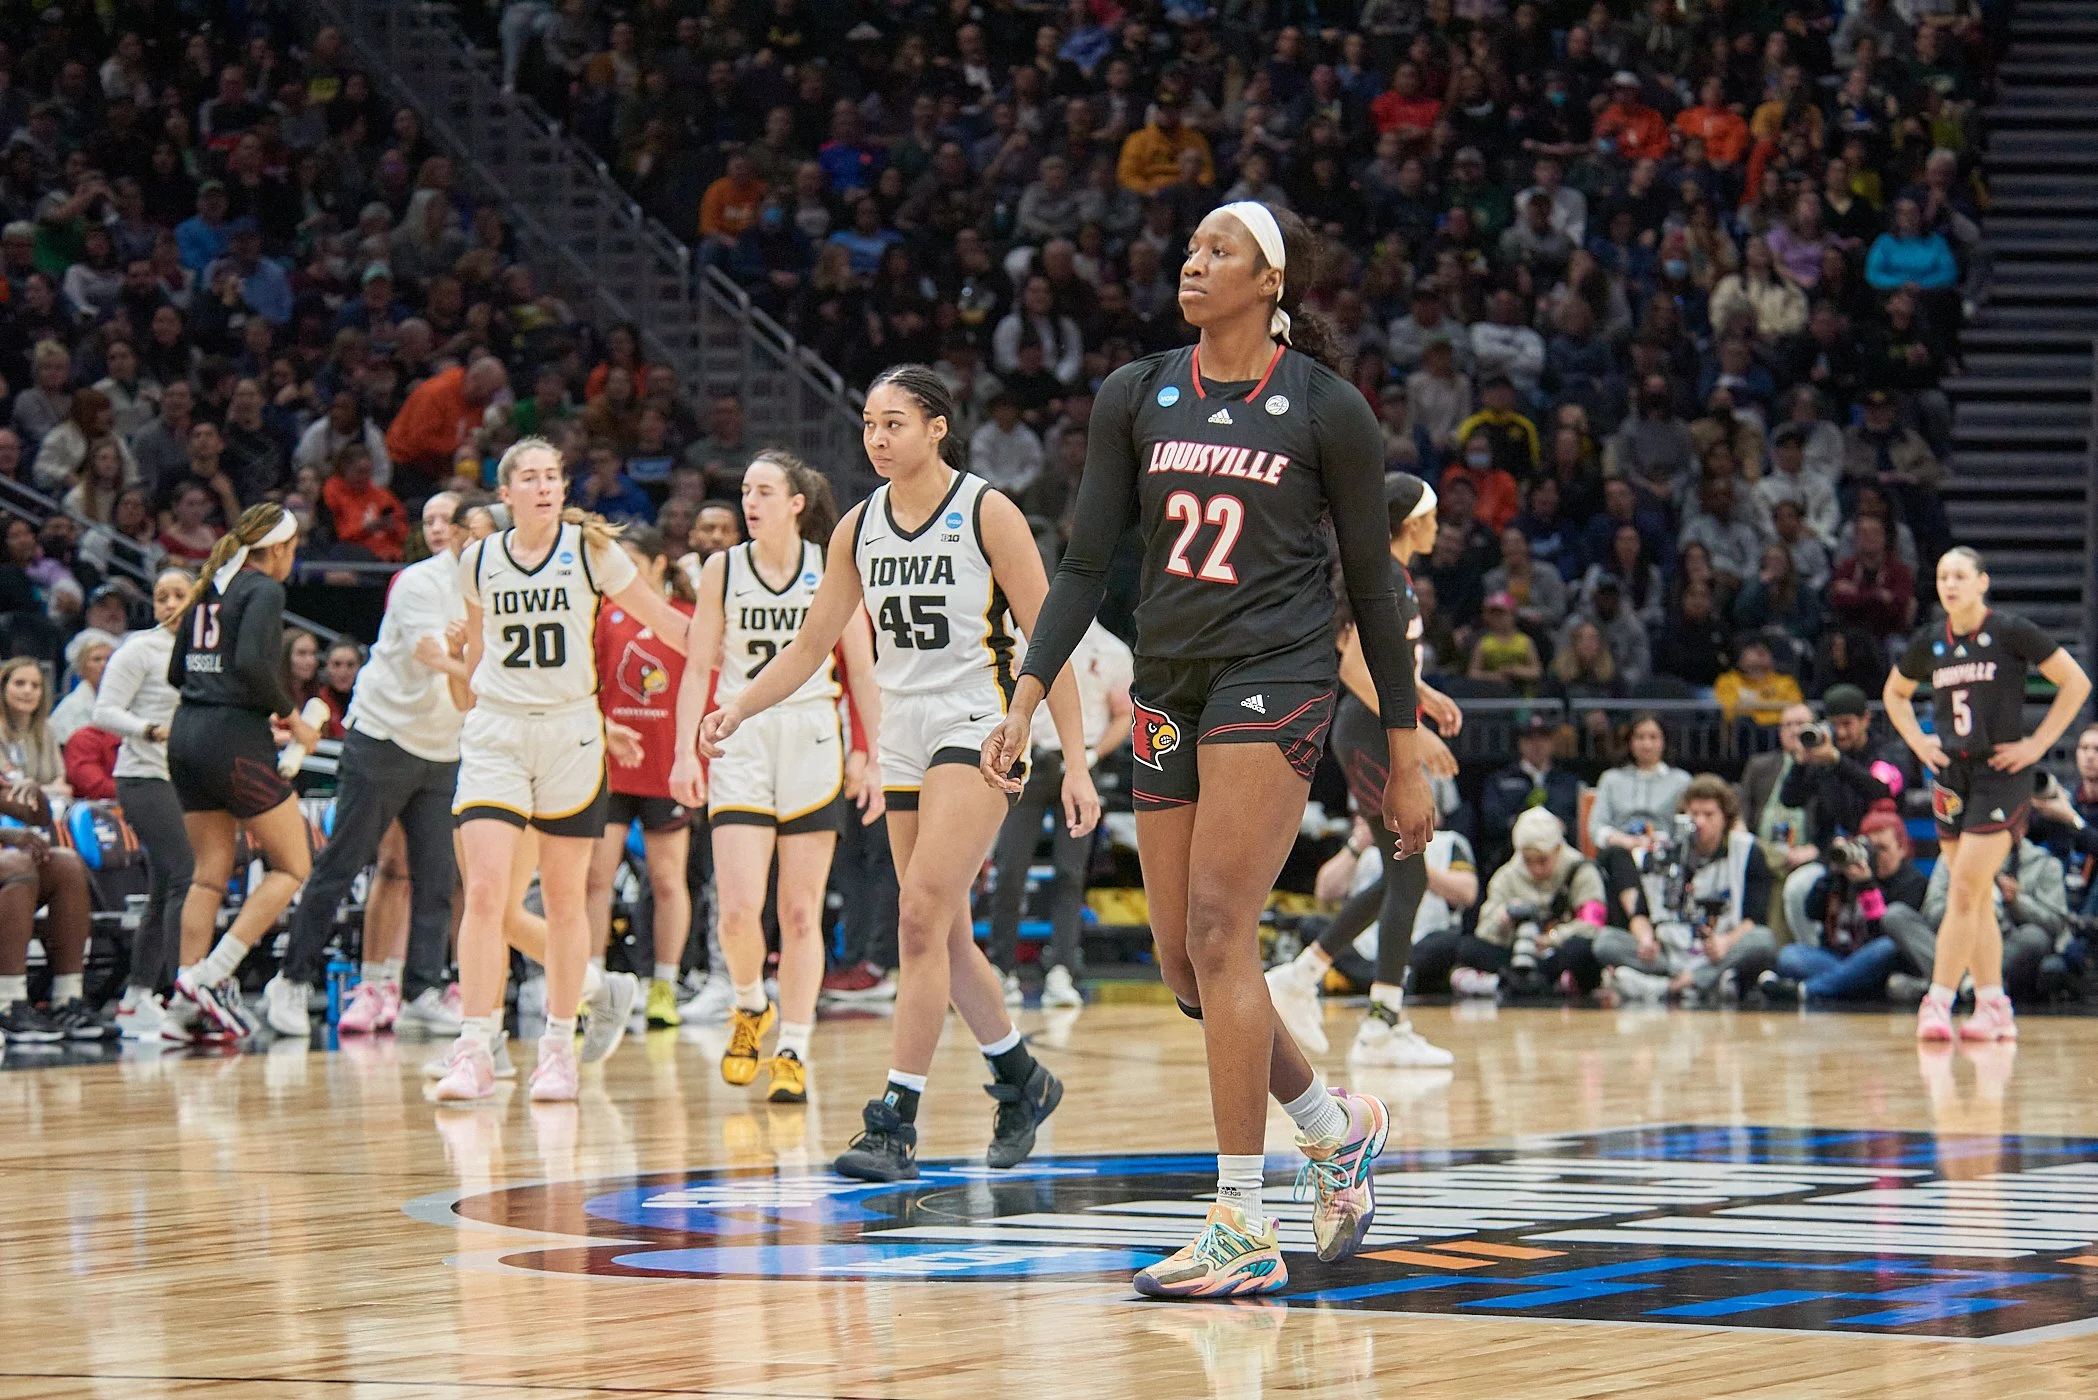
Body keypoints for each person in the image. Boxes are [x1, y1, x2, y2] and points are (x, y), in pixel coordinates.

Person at [982, 202, 1434, 1298]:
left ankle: (1241, 1221)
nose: (1193, 263)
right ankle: (1333, 1128)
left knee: (1225, 927)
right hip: (1168, 676)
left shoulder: (1325, 408)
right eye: (1189, 249)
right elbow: (1082, 565)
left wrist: (1407, 750)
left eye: (1218, 251)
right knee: (1186, 961)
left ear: (1270, 281)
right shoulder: (1135, 392)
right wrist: (1026, 695)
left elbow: (1373, 588)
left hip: (1276, 673)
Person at [698, 366, 1096, 1179]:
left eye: (894, 423)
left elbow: (1049, 638)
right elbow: (811, 645)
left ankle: (894, 1122)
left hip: (979, 722)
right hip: (904, 730)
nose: (877, 439)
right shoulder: (858, 526)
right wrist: (740, 705)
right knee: (941, 931)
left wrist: (1077, 762)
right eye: (870, 425)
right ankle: (1021, 1078)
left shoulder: (987, 512)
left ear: (937, 428)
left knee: (918, 914)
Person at [429, 438, 693, 1102]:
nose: (545, 486)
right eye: (531, 477)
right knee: (485, 895)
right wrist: (460, 686)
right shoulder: (478, 560)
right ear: (506, 492)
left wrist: (738, 655)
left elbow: (667, 624)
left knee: (565, 899)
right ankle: (475, 1049)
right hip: (497, 732)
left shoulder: (591, 552)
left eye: (553, 476)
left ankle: (557, 1050)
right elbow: (480, 659)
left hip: (570, 733)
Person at [670, 452, 883, 1098]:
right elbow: (698, 667)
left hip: (811, 736)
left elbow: (861, 668)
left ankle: (794, 1045)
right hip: (740, 737)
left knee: (799, 910)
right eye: (745, 491)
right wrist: (684, 751)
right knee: (738, 911)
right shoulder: (722, 569)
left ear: (796, 503)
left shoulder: (831, 566)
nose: (750, 503)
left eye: (764, 491)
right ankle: (748, 1003)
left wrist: (871, 753)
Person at [259, 494, 480, 1040]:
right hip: (383, 737)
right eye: (470, 533)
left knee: (437, 876)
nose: (479, 544)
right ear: (456, 536)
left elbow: (466, 679)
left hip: (443, 748)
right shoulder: (419, 582)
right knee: (342, 863)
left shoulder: (499, 588)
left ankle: (422, 990)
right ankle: (291, 980)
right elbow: (431, 653)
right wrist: (485, 675)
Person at [1267, 475, 1464, 1067]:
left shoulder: (1392, 575)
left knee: (1406, 875)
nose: (1439, 526)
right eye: (1432, 516)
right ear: (1410, 522)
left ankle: (1307, 977)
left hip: (1371, 730)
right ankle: (1378, 1021)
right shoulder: (1385, 577)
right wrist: (1415, 728)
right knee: (1409, 873)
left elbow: (1383, 660)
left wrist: (1423, 692)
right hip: (1371, 732)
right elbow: (1354, 668)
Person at [1885, 547, 2090, 1041]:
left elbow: (2075, 681)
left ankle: (1938, 1001)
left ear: (1982, 582)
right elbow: (1895, 693)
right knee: (1973, 896)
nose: (1950, 585)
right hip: (1950, 775)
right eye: (1942, 577)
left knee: (1962, 889)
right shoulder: (1931, 640)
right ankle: (1994, 1003)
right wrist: (1918, 742)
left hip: (2000, 773)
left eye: (1960, 575)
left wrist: (2038, 744)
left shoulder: (2010, 631)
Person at [162, 504, 321, 1038]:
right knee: (293, 865)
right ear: (277, 549)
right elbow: (252, 663)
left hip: (186, 735)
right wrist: (292, 717)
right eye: (293, 550)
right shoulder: (263, 590)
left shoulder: (208, 585)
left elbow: (176, 670)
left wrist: (238, 703)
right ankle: (210, 975)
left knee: (208, 874)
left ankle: (183, 1004)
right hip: (230, 740)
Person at [583, 524, 707, 1033]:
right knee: (595, 878)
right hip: (611, 767)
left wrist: (694, 756)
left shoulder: (687, 617)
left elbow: (706, 687)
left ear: (658, 564)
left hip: (666, 766)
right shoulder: (605, 615)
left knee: (667, 880)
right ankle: (591, 987)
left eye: (631, 564)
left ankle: (664, 985)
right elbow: (588, 682)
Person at [986, 618, 1133, 1009]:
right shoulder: (1024, 636)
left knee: (1071, 871)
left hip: (1081, 764)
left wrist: (1093, 755)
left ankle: (1063, 968)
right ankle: (1000, 967)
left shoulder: (1112, 650)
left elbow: (1124, 713)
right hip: (1030, 762)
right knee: (1010, 866)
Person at [102, 569, 196, 1040]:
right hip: (142, 778)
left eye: (180, 595)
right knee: (186, 876)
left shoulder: (204, 652)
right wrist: (149, 730)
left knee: (164, 890)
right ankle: (184, 995)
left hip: (185, 781)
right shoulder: (139, 649)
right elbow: (104, 711)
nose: (171, 604)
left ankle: (137, 996)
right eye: (162, 597)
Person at [1592, 775, 1779, 1003]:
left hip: (1718, 950)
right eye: (1694, 814)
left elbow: (1754, 919)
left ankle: (1674, 986)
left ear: (1725, 818)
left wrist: (1726, 942)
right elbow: (1640, 914)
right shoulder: (1665, 852)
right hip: (1670, 951)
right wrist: (1645, 939)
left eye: (1708, 815)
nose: (1699, 822)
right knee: (1605, 941)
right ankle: (1701, 984)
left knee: (1763, 940)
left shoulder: (1748, 851)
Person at [1435, 807, 1607, 999]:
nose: (1536, 868)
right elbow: (1483, 932)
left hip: (1556, 952)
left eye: (1542, 860)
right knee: (1466, 948)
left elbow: (1593, 924)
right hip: (1514, 953)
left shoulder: (1581, 871)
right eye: (1528, 860)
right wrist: (1502, 919)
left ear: (1558, 849)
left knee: (1582, 950)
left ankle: (1512, 982)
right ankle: (1524, 981)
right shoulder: (1506, 876)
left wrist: (1552, 938)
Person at [1760, 810, 1929, 1003]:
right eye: (1870, 849)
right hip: (1840, 960)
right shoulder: (1847, 874)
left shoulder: (1911, 882)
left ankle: (1808, 989)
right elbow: (1811, 911)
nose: (1875, 857)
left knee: (1887, 948)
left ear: (1902, 848)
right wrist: (1832, 872)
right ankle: (1844, 985)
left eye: (1882, 849)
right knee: (1789, 955)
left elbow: (1884, 936)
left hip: (1878, 964)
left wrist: (1867, 886)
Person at [1590, 714, 1694, 928]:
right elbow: (1596, 827)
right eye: (1640, 737)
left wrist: (1658, 842)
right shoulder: (1611, 779)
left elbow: (1685, 826)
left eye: (1653, 737)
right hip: (1619, 849)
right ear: (1630, 741)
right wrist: (1627, 842)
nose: (1647, 744)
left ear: (1664, 741)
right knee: (1618, 856)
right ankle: (1639, 921)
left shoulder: (1681, 781)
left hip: (1662, 850)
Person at [1479, 711, 1583, 874]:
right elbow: (1491, 822)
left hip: (1563, 860)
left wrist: (1563, 826)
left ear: (1552, 742)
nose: (1537, 744)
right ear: (1520, 742)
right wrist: (1521, 825)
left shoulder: (1569, 782)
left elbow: (1582, 823)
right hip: (1511, 859)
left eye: (1543, 738)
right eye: (1530, 738)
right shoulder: (1500, 780)